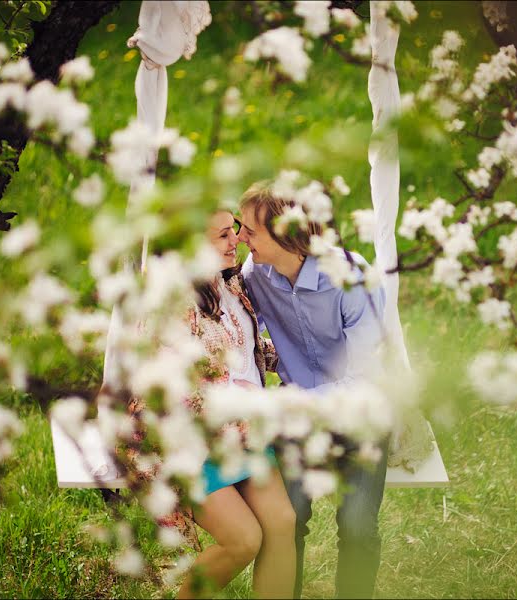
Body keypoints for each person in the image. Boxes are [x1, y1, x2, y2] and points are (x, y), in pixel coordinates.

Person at [128, 210, 297, 599]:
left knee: (282, 523)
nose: (234, 240)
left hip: (242, 432)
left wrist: (308, 359)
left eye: (233, 231)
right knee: (243, 539)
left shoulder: (227, 287)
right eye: (222, 235)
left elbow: (242, 352)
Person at [237, 182, 388, 599]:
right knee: (288, 519)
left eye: (250, 231)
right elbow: (238, 333)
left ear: (288, 237)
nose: (240, 238)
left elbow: (368, 381)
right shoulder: (256, 275)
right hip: (299, 425)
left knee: (357, 525)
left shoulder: (352, 278)